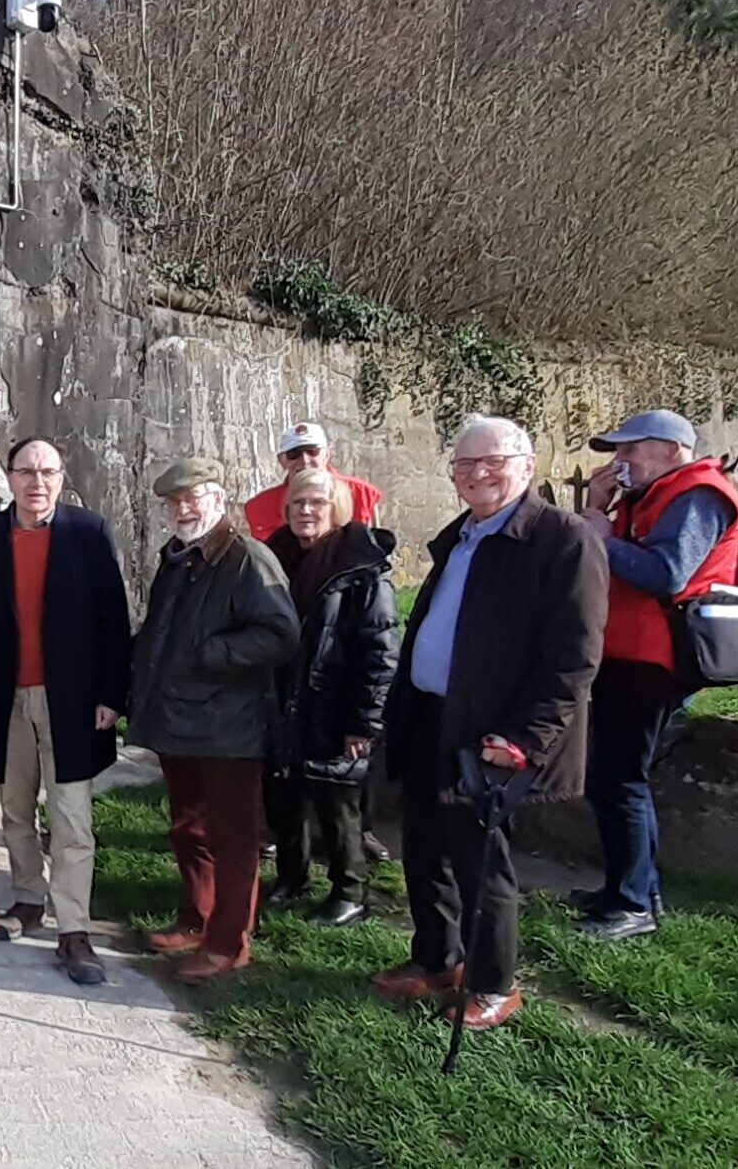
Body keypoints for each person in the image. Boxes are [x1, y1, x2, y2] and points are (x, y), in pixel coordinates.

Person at [370, 416, 604, 1032]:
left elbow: (574, 657)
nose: (477, 474)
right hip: (429, 717)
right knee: (423, 848)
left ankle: (494, 983)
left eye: (492, 462)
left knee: (481, 863)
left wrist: (526, 740)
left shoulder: (562, 539)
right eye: (464, 465)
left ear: (528, 466)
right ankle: (436, 960)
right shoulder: (461, 536)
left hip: (492, 735)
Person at [0, 439, 131, 984]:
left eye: (48, 471)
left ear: (62, 478)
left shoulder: (88, 532)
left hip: (71, 700)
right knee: (13, 809)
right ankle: (28, 899)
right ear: (8, 478)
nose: (37, 482)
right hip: (2, 697)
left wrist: (111, 694)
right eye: (26, 471)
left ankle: (73, 928)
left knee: (72, 816)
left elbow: (113, 619)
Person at [574, 409, 738, 942]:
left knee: (619, 778)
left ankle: (631, 903)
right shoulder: (651, 495)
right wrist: (598, 512)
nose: (619, 462)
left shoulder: (698, 494)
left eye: (629, 451)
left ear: (671, 451)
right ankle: (631, 889)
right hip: (625, 654)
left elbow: (667, 571)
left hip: (655, 658)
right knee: (614, 777)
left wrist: (599, 533)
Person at [127, 458, 299, 985]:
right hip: (178, 722)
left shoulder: (248, 558)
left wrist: (210, 652)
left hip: (229, 726)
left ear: (219, 499)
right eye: (175, 502)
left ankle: (228, 943)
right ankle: (197, 918)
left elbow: (280, 633)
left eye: (193, 498)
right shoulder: (178, 559)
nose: (183, 509)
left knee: (233, 838)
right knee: (188, 828)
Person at [263, 468, 400, 928]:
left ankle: (351, 891)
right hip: (285, 697)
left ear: (336, 509)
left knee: (338, 804)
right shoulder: (275, 555)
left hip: (335, 700)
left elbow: (380, 650)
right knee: (285, 796)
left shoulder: (361, 566)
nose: (306, 511)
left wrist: (364, 721)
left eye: (317, 503)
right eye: (298, 503)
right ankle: (292, 877)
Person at [244, 422, 383, 543]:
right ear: (282, 460)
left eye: (312, 451)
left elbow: (376, 550)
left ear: (327, 454)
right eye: (294, 454)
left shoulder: (361, 493)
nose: (304, 460)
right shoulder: (260, 506)